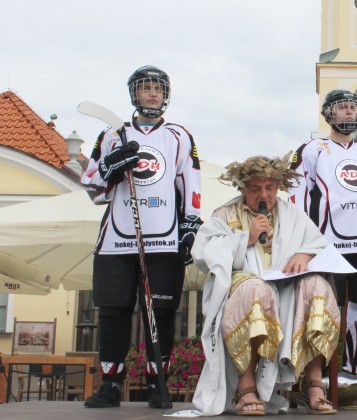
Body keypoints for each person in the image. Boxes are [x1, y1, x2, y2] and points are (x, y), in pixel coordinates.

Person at [81, 65, 203, 409]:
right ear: (133, 94)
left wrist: (190, 224)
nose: (152, 94)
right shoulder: (111, 135)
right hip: (117, 238)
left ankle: (155, 384)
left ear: (166, 96)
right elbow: (92, 185)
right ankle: (110, 385)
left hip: (163, 239)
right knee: (113, 310)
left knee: (161, 312)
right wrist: (110, 169)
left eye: (158, 89)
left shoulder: (179, 135)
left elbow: (190, 182)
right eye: (145, 88)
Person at [190, 154, 340, 416]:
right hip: (244, 287)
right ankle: (246, 386)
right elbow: (202, 253)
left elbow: (318, 244)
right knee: (254, 289)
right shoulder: (224, 215)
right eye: (255, 188)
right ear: (243, 189)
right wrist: (244, 239)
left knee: (318, 286)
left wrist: (304, 255)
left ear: (278, 188)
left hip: (286, 289)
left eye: (269, 188)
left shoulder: (292, 214)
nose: (264, 195)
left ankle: (313, 381)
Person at [288, 89, 357, 404]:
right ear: (328, 114)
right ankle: (317, 379)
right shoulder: (312, 149)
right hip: (327, 244)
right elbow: (295, 197)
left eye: (353, 108)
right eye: (342, 108)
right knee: (323, 312)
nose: (350, 113)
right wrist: (300, 242)